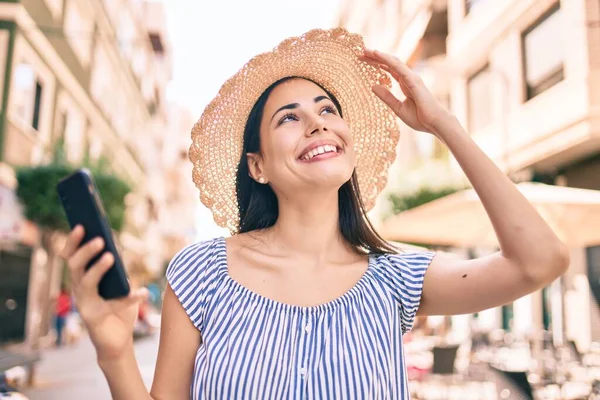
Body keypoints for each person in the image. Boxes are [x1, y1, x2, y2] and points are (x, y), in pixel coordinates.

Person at [59, 28, 569, 399]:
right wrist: (114, 353)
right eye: (290, 118)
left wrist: (443, 125)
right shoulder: (201, 272)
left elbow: (539, 262)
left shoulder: (394, 278)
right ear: (257, 166)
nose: (318, 125)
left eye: (328, 111)